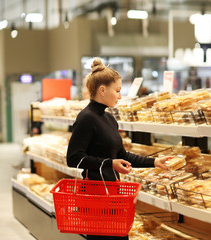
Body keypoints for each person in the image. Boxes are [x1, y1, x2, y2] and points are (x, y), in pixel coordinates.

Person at [66, 58, 172, 240]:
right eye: (117, 91)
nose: (120, 96)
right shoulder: (86, 118)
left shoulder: (109, 119)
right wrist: (109, 163)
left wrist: (154, 162)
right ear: (102, 90)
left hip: (113, 194)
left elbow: (121, 155)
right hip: (95, 199)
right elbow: (73, 158)